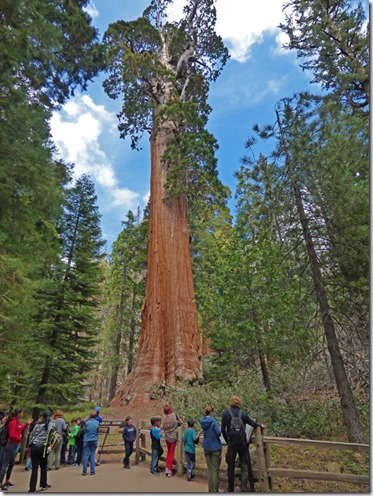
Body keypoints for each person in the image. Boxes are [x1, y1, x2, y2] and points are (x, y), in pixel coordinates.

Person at [221, 395, 267, 493]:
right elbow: (251, 423)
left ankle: (230, 489)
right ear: (239, 403)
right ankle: (243, 488)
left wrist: (227, 440)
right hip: (242, 443)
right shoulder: (243, 413)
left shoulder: (226, 413)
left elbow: (223, 430)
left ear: (231, 402)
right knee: (244, 466)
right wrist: (260, 426)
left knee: (231, 466)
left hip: (232, 443)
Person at [0, 408, 33, 491]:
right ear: (18, 413)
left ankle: (7, 480)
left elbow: (20, 430)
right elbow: (11, 435)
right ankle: (0, 483)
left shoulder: (17, 422)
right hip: (10, 445)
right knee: (5, 464)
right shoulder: (13, 422)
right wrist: (18, 439)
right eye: (21, 413)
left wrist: (26, 424)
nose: (22, 415)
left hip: (14, 445)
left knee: (11, 464)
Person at [28, 410, 58, 493]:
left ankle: (32, 488)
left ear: (42, 416)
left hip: (34, 447)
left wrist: (30, 444)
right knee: (43, 467)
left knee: (34, 468)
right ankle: (43, 484)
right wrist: (51, 445)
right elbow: (56, 435)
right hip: (43, 448)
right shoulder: (51, 425)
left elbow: (32, 435)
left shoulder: (37, 425)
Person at [200, 405, 222, 493]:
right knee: (215, 469)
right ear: (211, 412)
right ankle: (215, 490)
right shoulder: (213, 421)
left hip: (206, 446)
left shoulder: (202, 421)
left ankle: (210, 489)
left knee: (210, 469)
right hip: (215, 446)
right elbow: (218, 433)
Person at [162, 405, 181, 477]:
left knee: (168, 452)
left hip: (167, 437)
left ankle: (167, 468)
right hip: (173, 437)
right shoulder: (174, 415)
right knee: (172, 452)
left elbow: (163, 427)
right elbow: (181, 422)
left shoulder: (165, 418)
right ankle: (170, 470)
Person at [82, 412, 99, 476]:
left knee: (86, 455)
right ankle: (92, 471)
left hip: (87, 439)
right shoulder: (97, 423)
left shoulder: (87, 423)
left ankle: (84, 471)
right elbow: (97, 431)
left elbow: (85, 430)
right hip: (94, 439)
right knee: (92, 455)